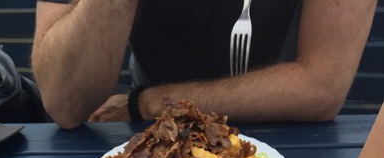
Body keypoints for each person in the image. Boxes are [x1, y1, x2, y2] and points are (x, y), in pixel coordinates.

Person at [32, 0, 377, 128]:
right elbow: (66, 103)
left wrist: (151, 103)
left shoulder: (148, 105)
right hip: (151, 140)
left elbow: (320, 88)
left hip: (288, 133)